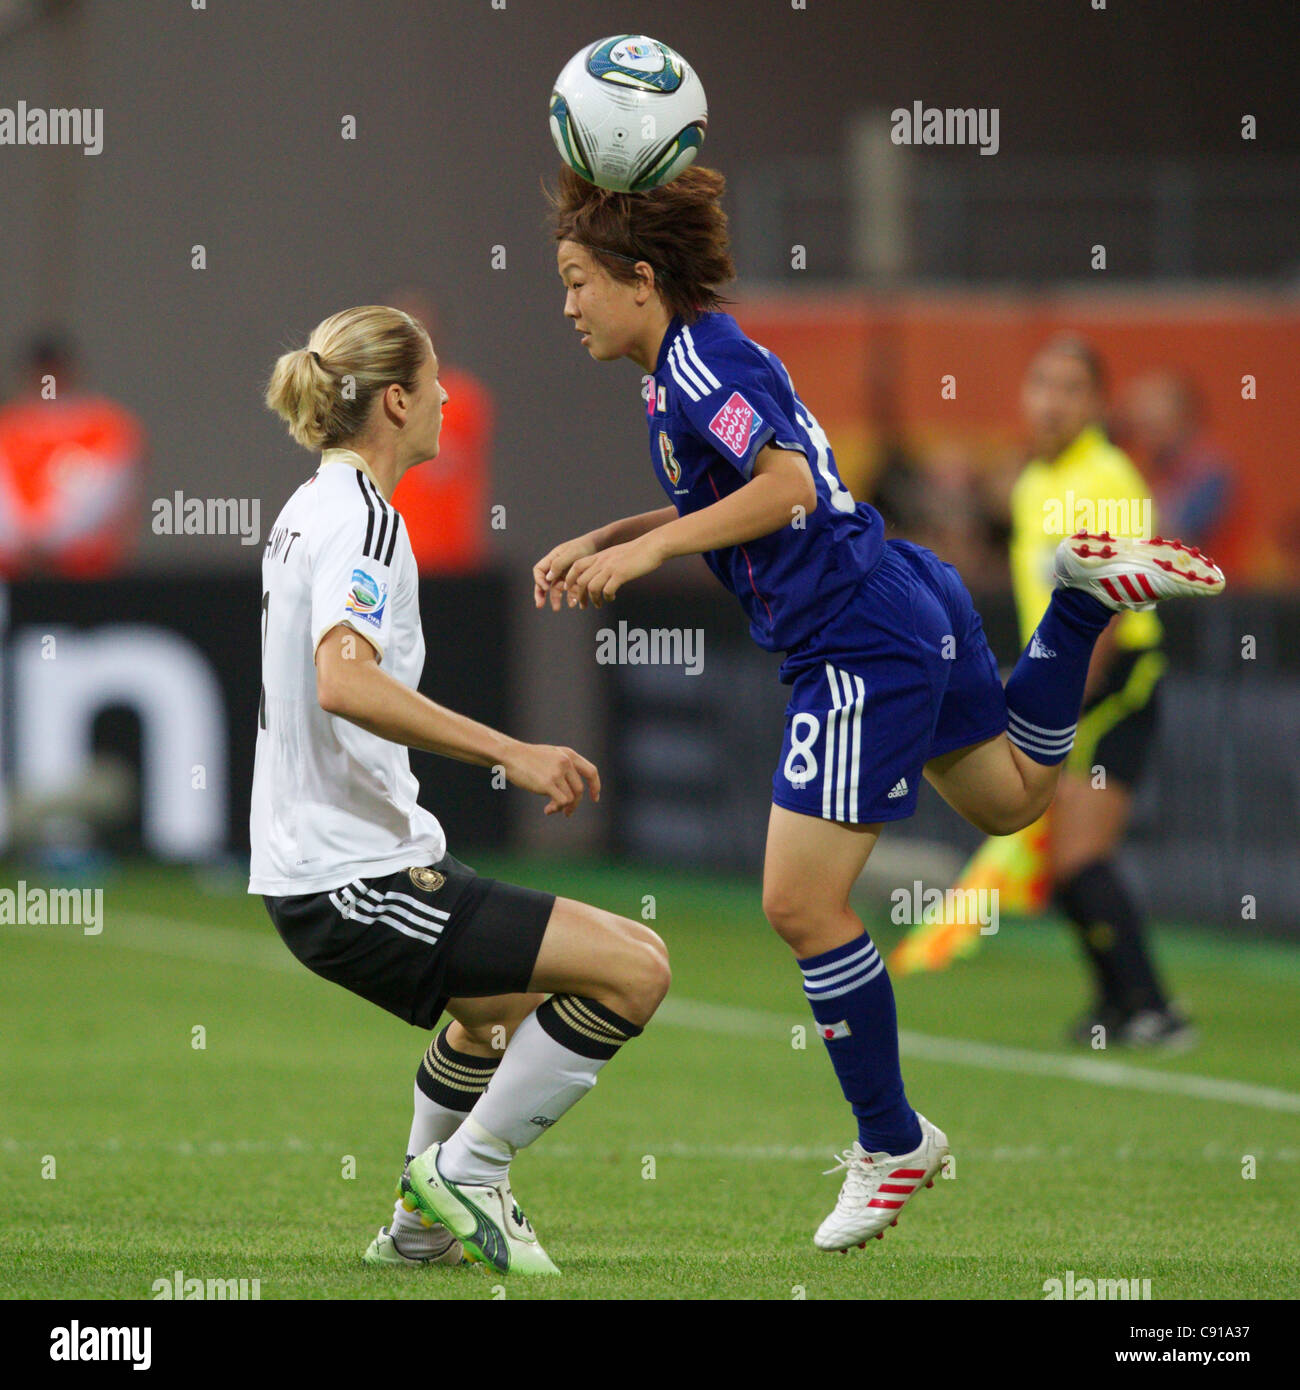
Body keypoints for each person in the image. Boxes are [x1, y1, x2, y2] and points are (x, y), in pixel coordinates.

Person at [534, 167, 1224, 1252]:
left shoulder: (698, 360)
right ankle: (1078, 607)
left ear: (640, 280)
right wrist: (615, 536)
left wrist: (657, 546)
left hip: (854, 635)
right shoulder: (686, 362)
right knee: (1007, 801)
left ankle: (891, 1140)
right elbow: (749, 484)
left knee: (800, 905)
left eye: (577, 281)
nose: (566, 303)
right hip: (900, 590)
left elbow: (786, 488)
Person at [253, 305, 670, 1277]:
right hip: (350, 876)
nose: (447, 395)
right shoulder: (363, 519)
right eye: (435, 379)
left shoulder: (312, 506)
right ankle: (469, 1170)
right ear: (396, 400)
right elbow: (344, 678)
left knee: (491, 1013)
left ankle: (416, 1229)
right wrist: (512, 753)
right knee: (636, 968)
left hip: (340, 863)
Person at [1011, 337, 1196, 1048]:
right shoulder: (1033, 483)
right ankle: (1120, 1005)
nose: (1051, 400)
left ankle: (1154, 1008)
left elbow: (1115, 605)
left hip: (1114, 685)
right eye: (1040, 383)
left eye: (1069, 387)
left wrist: (1067, 694)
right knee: (1061, 862)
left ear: (1095, 403)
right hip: (1058, 683)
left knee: (1081, 858)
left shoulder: (1109, 477)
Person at [0, 331, 144, 578]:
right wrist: (21, 540)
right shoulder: (9, 427)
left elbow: (102, 494)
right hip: (12, 570)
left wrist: (48, 538)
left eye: (54, 371)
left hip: (85, 570)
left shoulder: (105, 426)